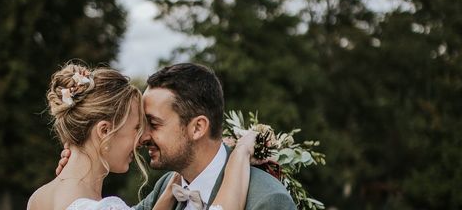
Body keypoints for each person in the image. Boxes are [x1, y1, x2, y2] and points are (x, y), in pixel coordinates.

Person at [57, 63, 296, 210]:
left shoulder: (267, 201)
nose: (143, 137)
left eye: (153, 124)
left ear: (197, 128)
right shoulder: (167, 188)